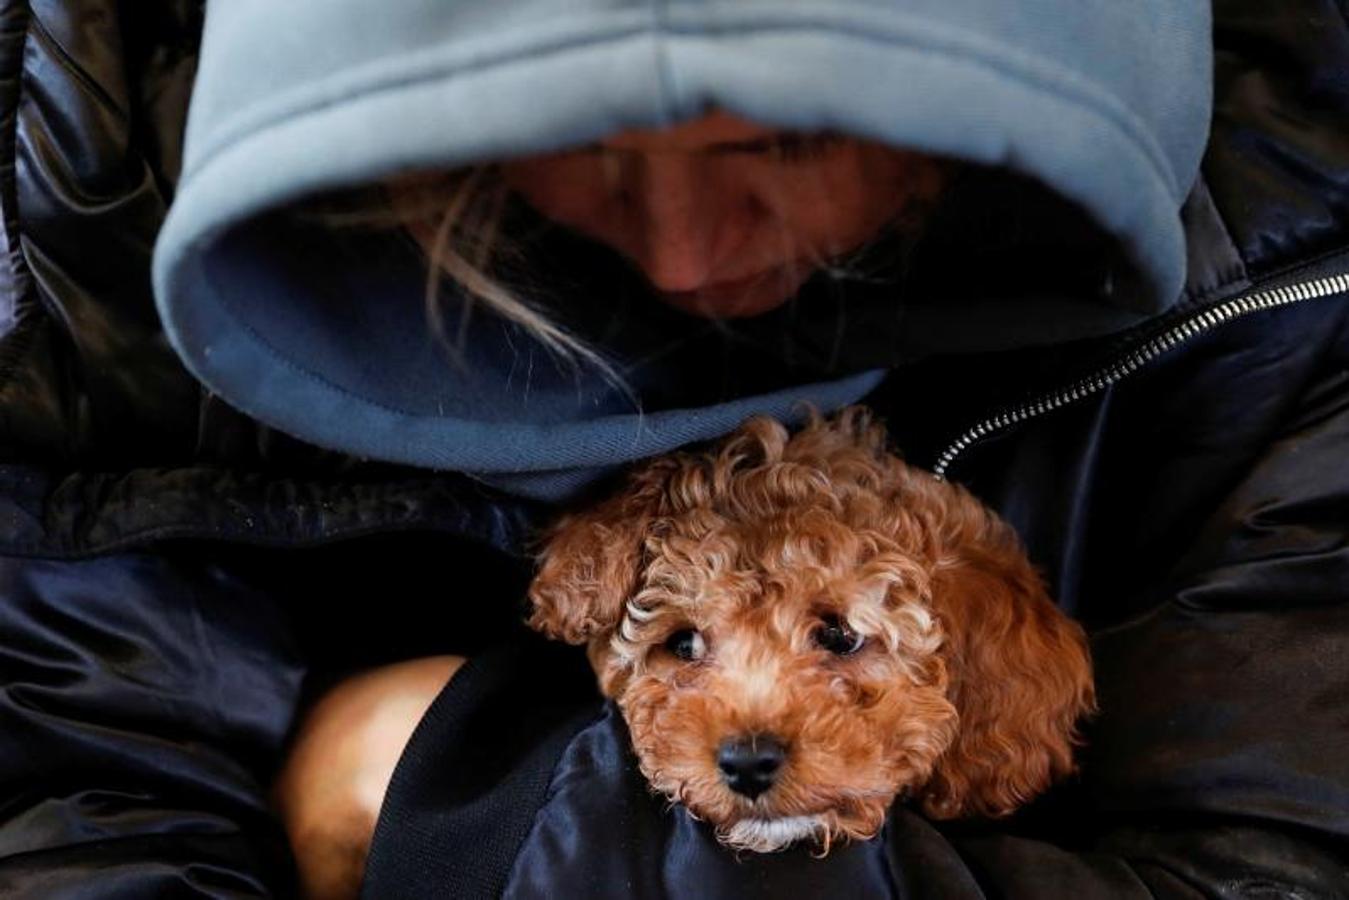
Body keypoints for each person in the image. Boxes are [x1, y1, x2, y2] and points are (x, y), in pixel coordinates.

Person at [1, 2, 1347, 899]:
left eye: (786, 138)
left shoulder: (1291, 283)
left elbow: (1252, 874)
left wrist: (452, 785)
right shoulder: (83, 171)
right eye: (578, 145)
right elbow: (74, 775)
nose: (687, 252)